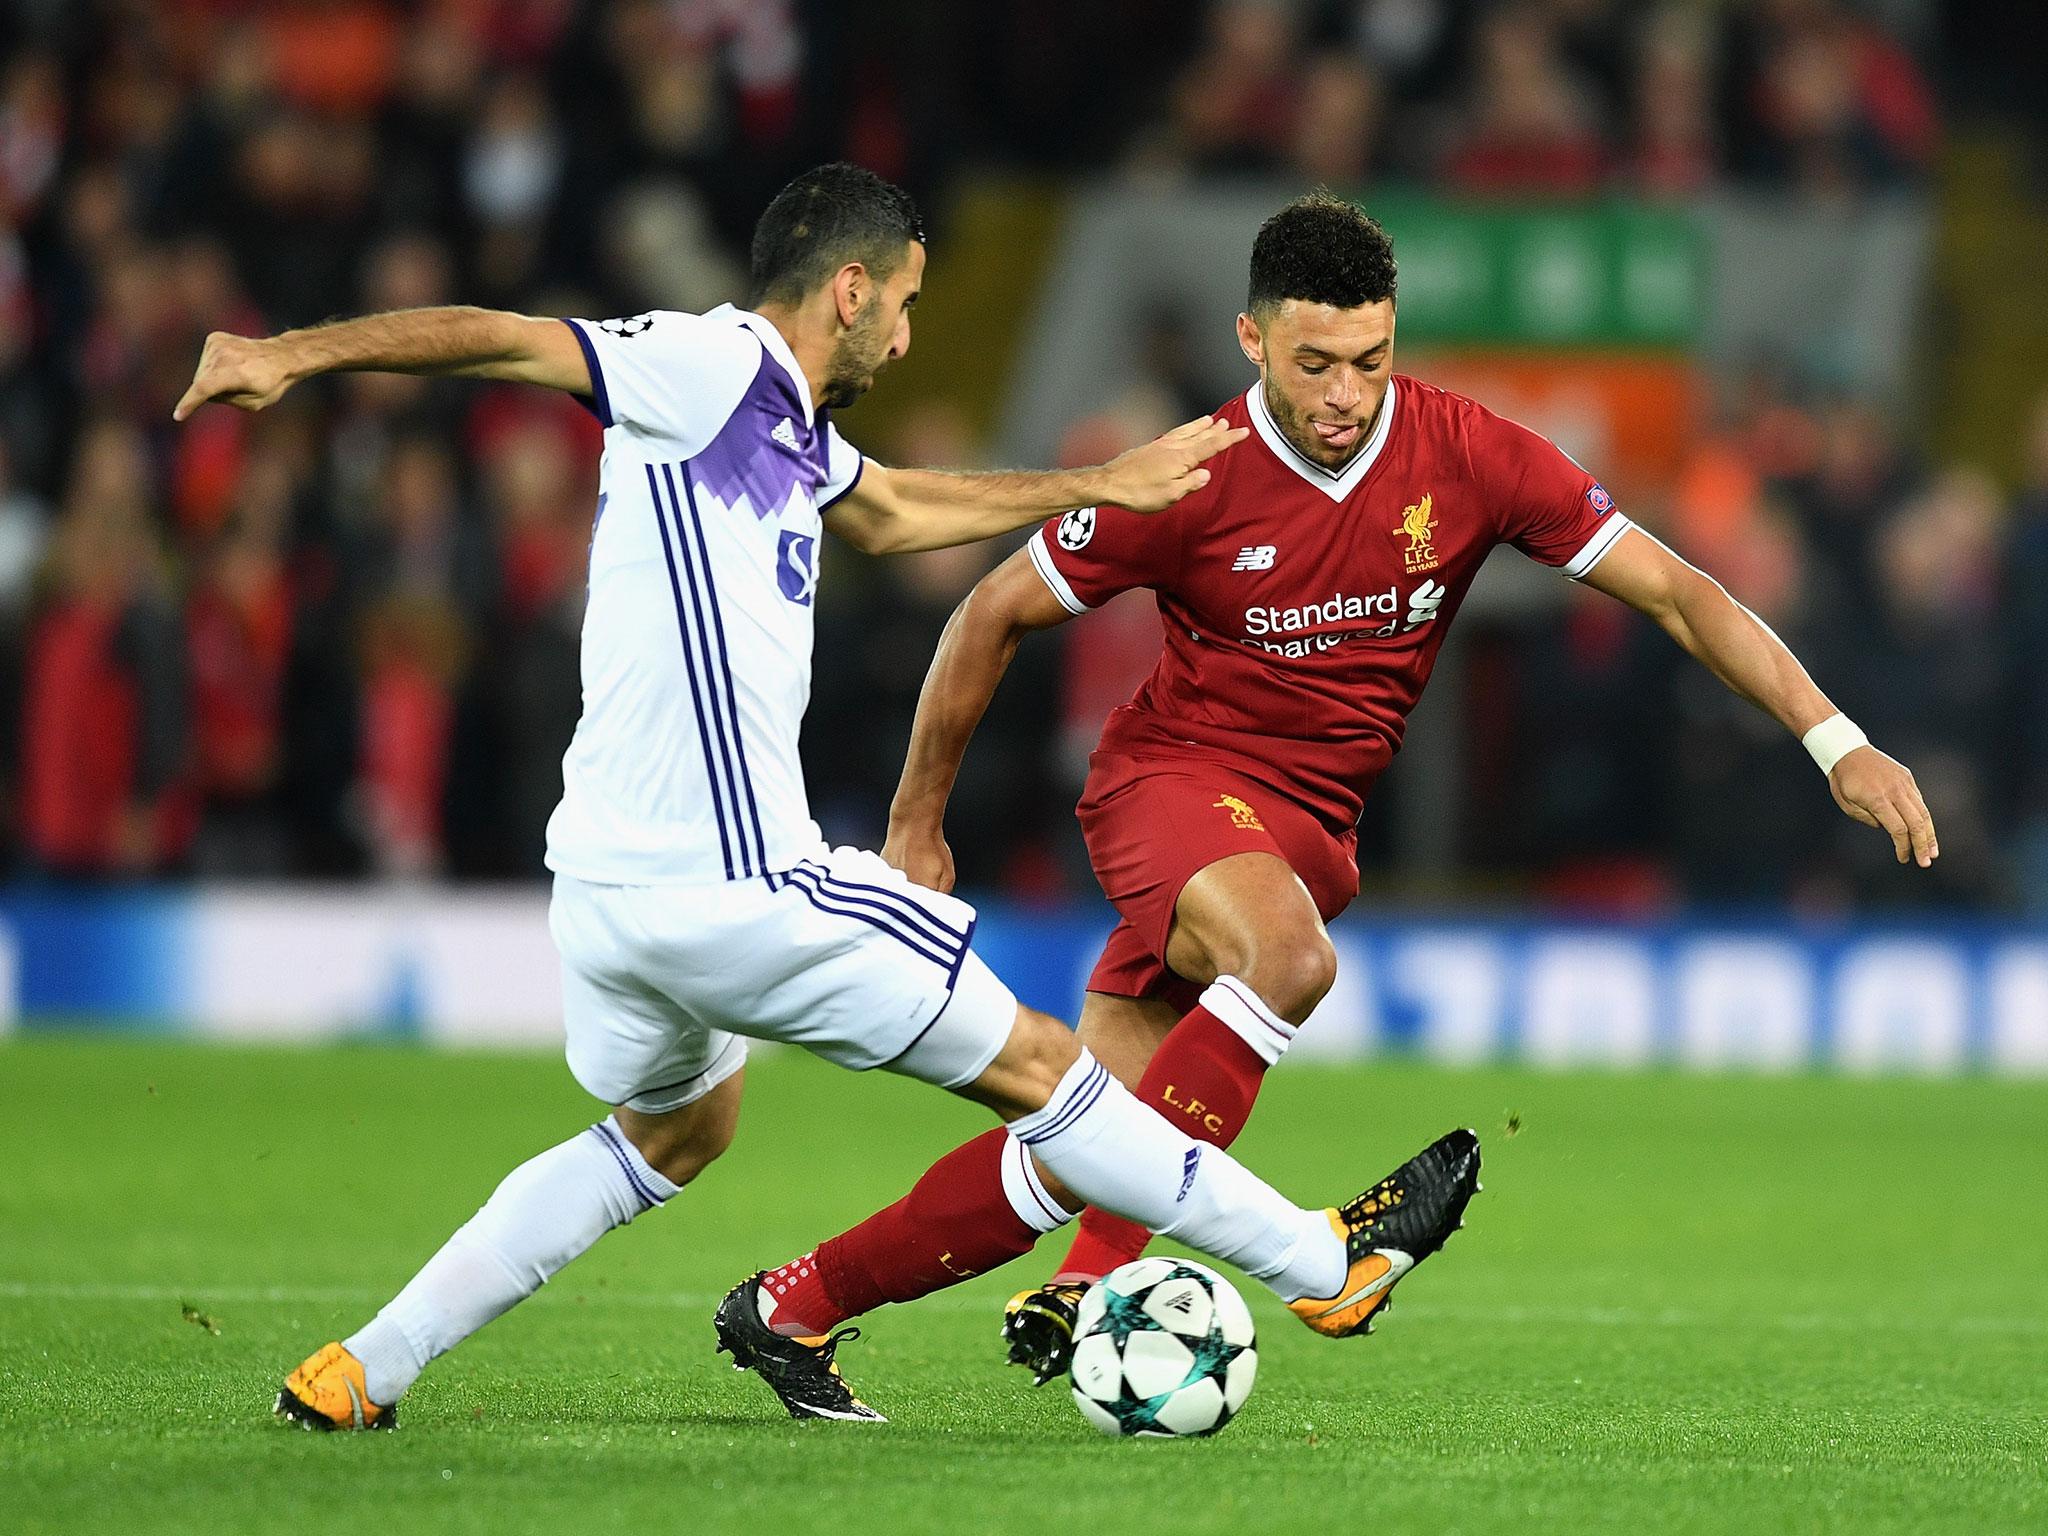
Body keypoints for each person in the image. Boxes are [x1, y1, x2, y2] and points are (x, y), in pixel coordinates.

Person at [173, 163, 1481, 1430]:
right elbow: (503, 340)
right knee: (1045, 1067)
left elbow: (901, 511)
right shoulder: (709, 365)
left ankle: (362, 1369)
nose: (910, 340)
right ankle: (1322, 1264)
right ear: (849, 289)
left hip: (610, 903)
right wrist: (296, 354)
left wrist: (1094, 485)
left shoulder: (789, 428)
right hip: (736, 887)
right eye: (907, 305)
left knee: (678, 1130)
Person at [738, 191, 1939, 1401]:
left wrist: (1834, 740)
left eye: (1369, 361)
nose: (1343, 395)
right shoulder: (1190, 474)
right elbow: (990, 609)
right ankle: (1245, 1270)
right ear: (1252, 340)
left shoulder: (1469, 455)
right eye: (1313, 363)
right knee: (1288, 962)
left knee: (1070, 1151)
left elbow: (1680, 592)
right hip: (1173, 787)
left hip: (1310, 831)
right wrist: (914, 821)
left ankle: (794, 1304)